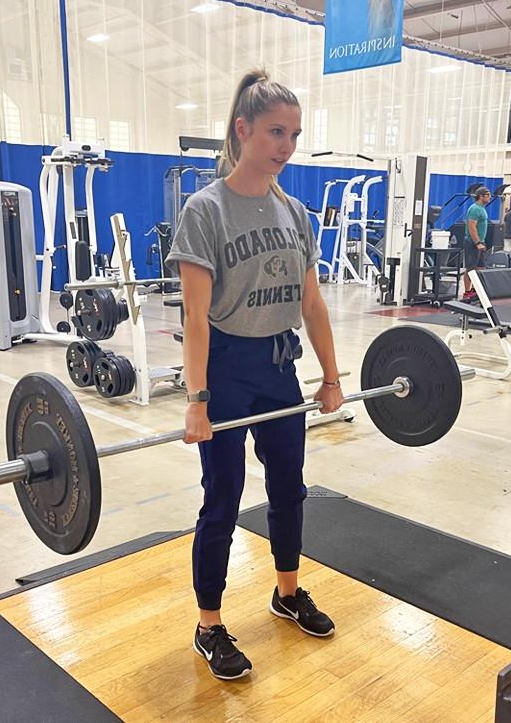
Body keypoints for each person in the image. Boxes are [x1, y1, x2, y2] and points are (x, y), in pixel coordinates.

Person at [166, 68, 343, 681]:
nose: (286, 146)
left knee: (290, 487)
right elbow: (195, 317)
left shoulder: (297, 212)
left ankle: (287, 592)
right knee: (223, 498)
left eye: (294, 135)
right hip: (226, 369)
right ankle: (209, 625)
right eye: (274, 132)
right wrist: (197, 399)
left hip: (278, 364)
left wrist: (331, 375)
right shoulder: (205, 209)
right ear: (242, 130)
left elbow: (312, 304)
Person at [462, 186, 491, 302]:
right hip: (472, 242)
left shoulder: (482, 208)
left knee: (481, 267)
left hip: (480, 242)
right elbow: (471, 226)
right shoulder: (474, 209)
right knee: (470, 268)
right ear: (481, 196)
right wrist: (477, 242)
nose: (489, 197)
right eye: (487, 195)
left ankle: (475, 290)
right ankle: (467, 292)